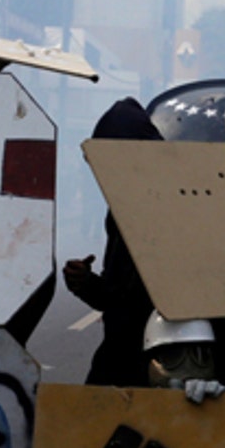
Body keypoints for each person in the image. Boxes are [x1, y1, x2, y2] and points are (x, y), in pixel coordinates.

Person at [64, 98, 161, 387]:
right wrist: (85, 282)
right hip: (123, 351)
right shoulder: (121, 210)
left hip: (168, 355)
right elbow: (117, 297)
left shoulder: (178, 204)